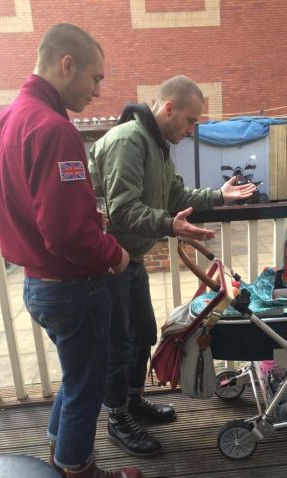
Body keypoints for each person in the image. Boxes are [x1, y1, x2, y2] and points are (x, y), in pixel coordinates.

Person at [0, 23, 143, 478]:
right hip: (73, 287)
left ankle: (60, 459)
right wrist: (114, 254)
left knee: (76, 378)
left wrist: (69, 220)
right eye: (96, 78)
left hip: (37, 284)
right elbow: (68, 235)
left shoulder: (2, 122)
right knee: (87, 385)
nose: (99, 91)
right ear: (67, 65)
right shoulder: (53, 129)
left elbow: (19, 206)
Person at [89, 75, 256, 457]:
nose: (194, 130)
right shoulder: (129, 141)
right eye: (191, 120)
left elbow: (175, 195)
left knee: (145, 333)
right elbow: (122, 209)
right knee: (118, 345)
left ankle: (132, 402)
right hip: (107, 263)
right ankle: (118, 418)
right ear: (169, 109)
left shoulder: (157, 144)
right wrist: (169, 224)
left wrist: (219, 195)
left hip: (130, 260)